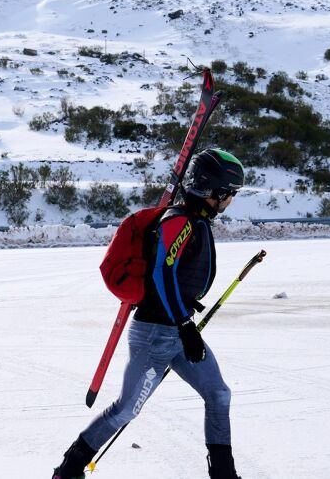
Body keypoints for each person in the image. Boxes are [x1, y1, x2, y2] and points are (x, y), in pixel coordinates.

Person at [53, 148, 247, 479]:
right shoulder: (179, 221)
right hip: (155, 333)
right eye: (228, 194)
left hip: (178, 331)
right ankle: (68, 470)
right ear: (210, 189)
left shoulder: (194, 221)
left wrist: (184, 326)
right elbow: (162, 273)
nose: (229, 201)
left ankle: (224, 475)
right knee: (125, 410)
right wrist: (184, 324)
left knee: (218, 394)